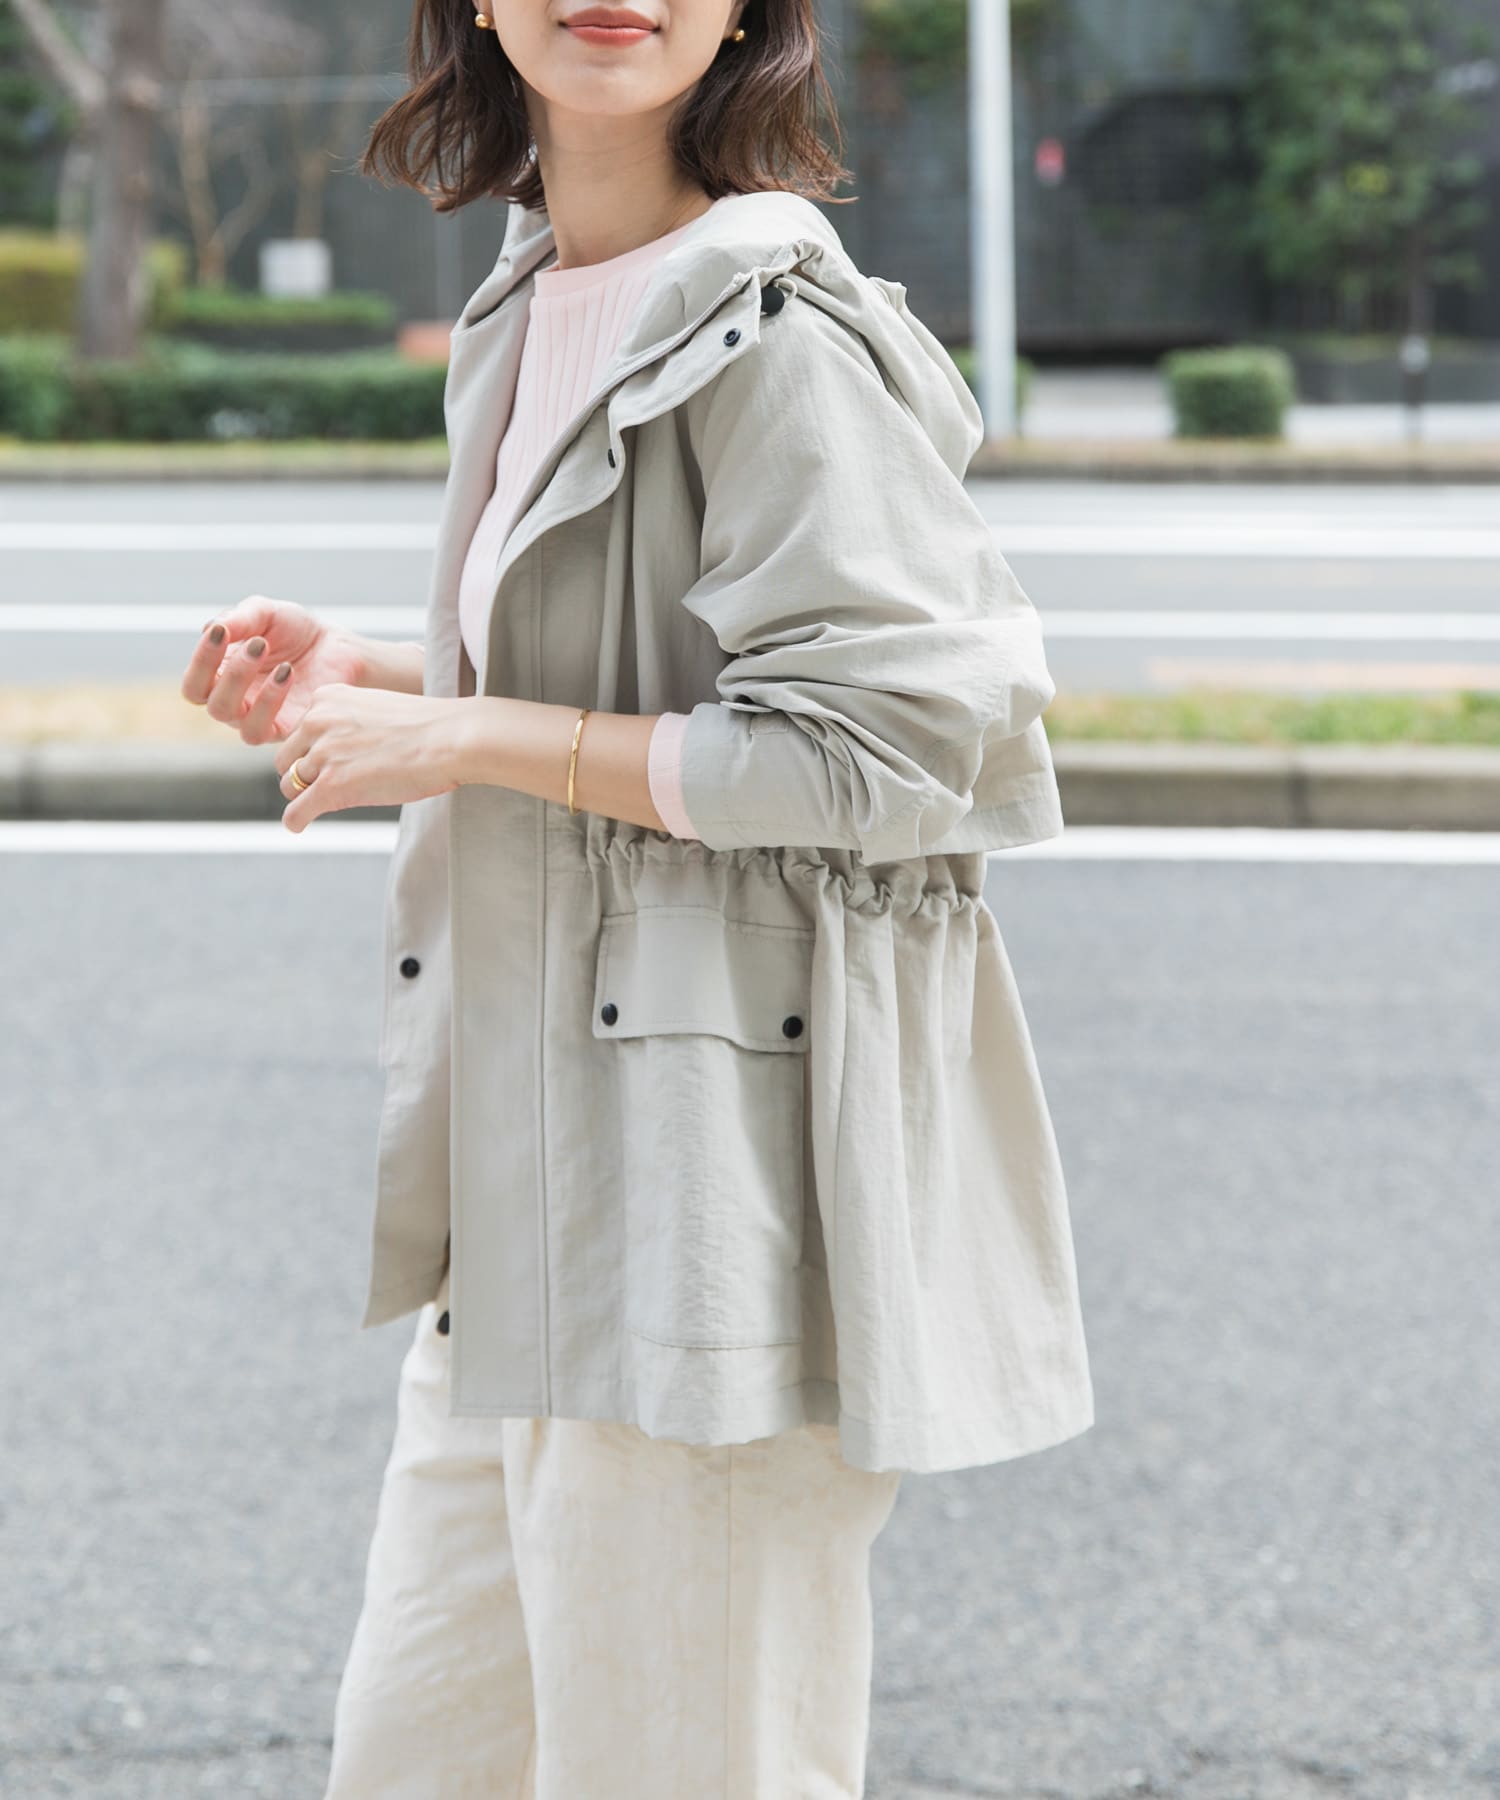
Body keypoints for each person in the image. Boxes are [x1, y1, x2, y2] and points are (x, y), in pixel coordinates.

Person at [180, 2, 1095, 1794]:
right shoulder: (531, 295)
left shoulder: (778, 329)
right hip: (521, 1217)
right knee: (417, 1761)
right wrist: (388, 677)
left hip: (696, 1221)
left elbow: (891, 752)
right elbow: (629, 672)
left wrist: (464, 734)